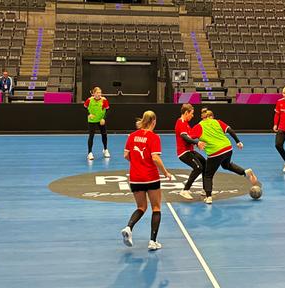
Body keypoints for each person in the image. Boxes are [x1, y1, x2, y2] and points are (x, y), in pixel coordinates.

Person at [120, 110, 174, 251]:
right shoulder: (154, 137)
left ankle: (128, 227)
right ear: (154, 122)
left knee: (141, 207)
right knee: (156, 207)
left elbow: (126, 155)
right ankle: (152, 241)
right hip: (150, 177)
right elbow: (155, 158)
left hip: (135, 178)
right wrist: (166, 172)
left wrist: (137, 162)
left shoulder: (132, 136)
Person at [187, 110, 260, 205]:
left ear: (202, 117)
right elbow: (230, 130)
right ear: (211, 116)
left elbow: (189, 137)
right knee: (226, 165)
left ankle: (208, 197)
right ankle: (244, 172)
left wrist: (197, 143)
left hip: (215, 152)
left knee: (208, 175)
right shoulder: (217, 121)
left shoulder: (199, 126)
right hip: (228, 148)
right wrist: (238, 142)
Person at [174, 104, 206, 200]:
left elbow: (191, 136)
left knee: (205, 163)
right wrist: (197, 142)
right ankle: (185, 190)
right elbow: (185, 137)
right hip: (184, 153)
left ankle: (205, 189)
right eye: (191, 113)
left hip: (190, 151)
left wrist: (197, 142)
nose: (192, 116)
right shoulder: (181, 122)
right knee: (198, 167)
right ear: (186, 113)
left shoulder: (186, 124)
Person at [84, 87, 110, 160]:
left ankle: (105, 150)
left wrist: (103, 118)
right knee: (91, 136)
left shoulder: (104, 100)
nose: (99, 94)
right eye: (97, 92)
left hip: (101, 120)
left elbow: (107, 110)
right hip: (92, 120)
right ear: (94, 93)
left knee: (104, 134)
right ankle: (89, 153)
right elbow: (85, 107)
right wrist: (89, 114)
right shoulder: (89, 100)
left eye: (100, 92)